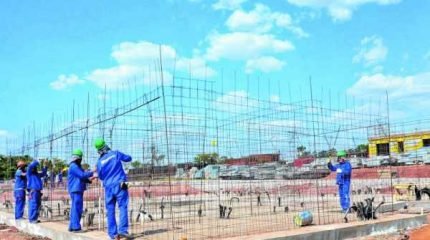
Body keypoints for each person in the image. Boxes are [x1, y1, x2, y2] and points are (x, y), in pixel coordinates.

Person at [94, 138, 132, 240]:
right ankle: (123, 231)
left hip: (108, 186)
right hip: (122, 182)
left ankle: (113, 234)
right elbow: (128, 158)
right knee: (123, 205)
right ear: (105, 145)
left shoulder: (99, 162)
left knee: (110, 209)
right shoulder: (116, 153)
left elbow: (101, 176)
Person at [67, 149, 94, 232]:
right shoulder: (74, 166)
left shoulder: (77, 166)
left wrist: (89, 180)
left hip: (77, 189)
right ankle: (76, 227)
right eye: (80, 158)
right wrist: (92, 172)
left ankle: (72, 226)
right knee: (77, 208)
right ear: (78, 158)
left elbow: (82, 177)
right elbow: (82, 175)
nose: (81, 160)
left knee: (75, 208)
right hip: (76, 189)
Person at [27, 158, 48, 223]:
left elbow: (44, 173)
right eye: (35, 167)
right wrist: (37, 161)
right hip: (33, 191)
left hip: (38, 191)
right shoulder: (30, 173)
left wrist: (45, 166)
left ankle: (35, 218)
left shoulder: (36, 174)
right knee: (33, 204)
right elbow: (30, 166)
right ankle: (32, 219)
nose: (35, 168)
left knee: (38, 205)